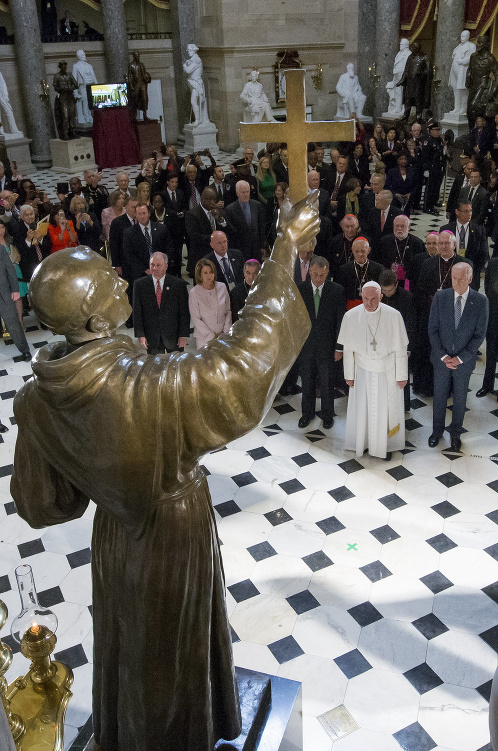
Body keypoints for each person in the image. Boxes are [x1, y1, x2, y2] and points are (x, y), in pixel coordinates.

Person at [10, 196, 318, 751]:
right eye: (109, 282)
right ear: (97, 319)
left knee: (133, 638)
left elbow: (43, 505)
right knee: (169, 649)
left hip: (117, 535)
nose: (123, 282)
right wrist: (284, 252)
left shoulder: (38, 397)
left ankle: (136, 731)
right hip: (171, 528)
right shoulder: (146, 385)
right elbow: (241, 367)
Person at [337, 280, 408, 459]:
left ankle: (386, 445)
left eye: (374, 299)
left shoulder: (394, 315)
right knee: (363, 408)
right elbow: (348, 351)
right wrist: (348, 375)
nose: (369, 303)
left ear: (381, 297)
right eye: (366, 298)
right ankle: (364, 442)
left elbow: (400, 349)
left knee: (385, 409)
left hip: (387, 372)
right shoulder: (351, 316)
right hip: (362, 372)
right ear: (361, 296)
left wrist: (401, 375)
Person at [428, 262, 488, 452]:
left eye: (461, 278)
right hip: (441, 359)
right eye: (454, 278)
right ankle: (436, 432)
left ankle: (455, 433)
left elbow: (479, 335)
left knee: (460, 399)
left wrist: (461, 358)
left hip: (464, 362)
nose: (456, 282)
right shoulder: (440, 297)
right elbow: (433, 329)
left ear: (470, 278)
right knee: (439, 397)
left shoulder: (480, 301)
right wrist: (443, 356)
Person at [414, 231, 473, 396]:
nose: (444, 247)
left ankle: (449, 390)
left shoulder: (465, 264)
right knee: (428, 351)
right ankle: (426, 387)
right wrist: (432, 305)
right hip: (431, 316)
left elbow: (470, 293)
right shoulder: (428, 264)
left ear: (455, 244)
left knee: (450, 354)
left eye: (448, 243)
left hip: (454, 319)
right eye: (441, 243)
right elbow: (420, 290)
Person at [297, 256, 345, 431]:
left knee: (327, 382)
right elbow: (296, 320)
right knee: (307, 382)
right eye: (315, 274)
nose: (318, 279)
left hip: (328, 346)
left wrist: (339, 347)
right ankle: (307, 414)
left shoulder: (336, 290)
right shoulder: (300, 289)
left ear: (327, 273)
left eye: (322, 275)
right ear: (309, 271)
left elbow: (340, 321)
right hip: (307, 346)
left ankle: (327, 415)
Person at [133, 252, 189, 356]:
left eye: (158, 265)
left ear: (166, 266)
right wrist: (140, 335)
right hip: (152, 337)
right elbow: (137, 312)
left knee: (175, 367)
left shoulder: (178, 284)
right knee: (156, 369)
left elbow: (184, 312)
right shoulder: (140, 285)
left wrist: (183, 334)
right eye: (152, 265)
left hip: (174, 337)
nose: (154, 268)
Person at [380, 269, 416, 411]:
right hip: (382, 342)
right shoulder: (378, 295)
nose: (387, 294)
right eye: (384, 290)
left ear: (396, 285)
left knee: (401, 373)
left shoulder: (407, 297)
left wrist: (408, 348)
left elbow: (411, 323)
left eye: (390, 290)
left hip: (400, 342)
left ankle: (404, 405)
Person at [122, 203, 174, 290]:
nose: (142, 216)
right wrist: (145, 270)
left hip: (162, 271)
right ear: (136, 215)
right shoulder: (129, 233)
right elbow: (129, 255)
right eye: (139, 214)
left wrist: (161, 266)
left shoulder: (161, 228)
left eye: (144, 213)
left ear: (149, 213)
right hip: (141, 274)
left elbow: (169, 248)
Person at [439, 200, 489, 290]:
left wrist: (472, 270)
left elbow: (484, 255)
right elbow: (441, 252)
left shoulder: (479, 230)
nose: (469, 214)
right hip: (449, 275)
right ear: (457, 212)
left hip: (471, 277)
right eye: (466, 211)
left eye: (470, 211)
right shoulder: (446, 229)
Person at [0, 223, 31, 362]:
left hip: (4, 293)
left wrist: (15, 289)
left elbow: (10, 270)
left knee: (13, 324)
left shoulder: (1, 249)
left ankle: (25, 350)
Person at [189, 258, 231, 349]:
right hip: (204, 339)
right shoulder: (194, 292)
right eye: (205, 273)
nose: (209, 275)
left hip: (223, 337)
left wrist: (225, 333)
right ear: (200, 275)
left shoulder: (222, 286)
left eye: (211, 272)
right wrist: (212, 337)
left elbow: (228, 311)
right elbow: (196, 319)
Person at [185, 187, 228, 276]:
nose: (212, 202)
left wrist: (219, 218)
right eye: (209, 199)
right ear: (202, 199)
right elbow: (195, 236)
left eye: (213, 199)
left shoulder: (219, 212)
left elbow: (228, 230)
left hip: (218, 256)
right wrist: (215, 239)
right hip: (201, 255)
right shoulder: (192, 214)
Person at [376, 214, 426, 292]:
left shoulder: (417, 243)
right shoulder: (385, 241)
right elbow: (379, 260)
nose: (399, 229)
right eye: (397, 226)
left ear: (409, 227)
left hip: (408, 281)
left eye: (402, 226)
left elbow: (420, 264)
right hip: (388, 279)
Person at [225, 180, 267, 262]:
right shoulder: (230, 209)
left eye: (247, 192)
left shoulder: (257, 205)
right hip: (240, 249)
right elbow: (230, 232)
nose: (246, 195)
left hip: (255, 248)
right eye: (243, 192)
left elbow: (261, 226)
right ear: (237, 193)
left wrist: (262, 246)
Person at [476, 255, 498, 401]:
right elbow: (488, 289)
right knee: (490, 353)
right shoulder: (494, 263)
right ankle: (487, 385)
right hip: (494, 316)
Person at [338, 236, 383, 308]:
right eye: (357, 251)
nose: (360, 254)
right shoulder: (344, 269)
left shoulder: (378, 268)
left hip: (372, 305)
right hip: (351, 306)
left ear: (369, 250)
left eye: (363, 251)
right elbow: (341, 293)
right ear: (352, 250)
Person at [10, 204, 50, 283]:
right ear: (21, 217)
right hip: (29, 268)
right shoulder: (17, 230)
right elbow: (20, 251)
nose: (30, 217)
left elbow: (49, 245)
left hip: (44, 264)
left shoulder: (41, 225)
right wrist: (28, 240)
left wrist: (40, 239)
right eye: (26, 215)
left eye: (31, 214)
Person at [422, 122, 448, 215]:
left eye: (438, 130)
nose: (438, 132)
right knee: (430, 188)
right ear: (431, 131)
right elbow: (425, 157)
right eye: (436, 130)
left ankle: (433, 202)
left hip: (439, 167)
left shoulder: (439, 140)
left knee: (437, 187)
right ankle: (427, 207)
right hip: (431, 168)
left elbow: (442, 153)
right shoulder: (428, 141)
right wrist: (426, 169)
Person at [108, 197, 138, 277]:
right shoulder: (117, 223)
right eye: (133, 207)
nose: (135, 209)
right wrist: (117, 265)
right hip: (124, 263)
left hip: (140, 264)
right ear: (126, 207)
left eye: (137, 207)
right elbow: (114, 245)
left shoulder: (142, 221)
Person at [183, 44, 209, 125]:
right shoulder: (193, 59)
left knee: (194, 101)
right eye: (188, 51)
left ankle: (198, 119)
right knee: (195, 101)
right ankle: (198, 119)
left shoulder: (197, 59)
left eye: (190, 51)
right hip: (193, 82)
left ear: (194, 51)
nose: (188, 53)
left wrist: (184, 65)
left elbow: (188, 71)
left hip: (196, 83)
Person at [53, 61, 78, 140]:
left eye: (65, 66)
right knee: (65, 116)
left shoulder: (70, 75)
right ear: (60, 67)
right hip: (63, 97)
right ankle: (65, 133)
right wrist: (62, 89)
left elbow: (76, 85)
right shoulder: (56, 76)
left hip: (70, 96)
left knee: (72, 115)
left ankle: (73, 132)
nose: (64, 68)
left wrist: (71, 88)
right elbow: (55, 87)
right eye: (63, 66)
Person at [72, 50, 97, 125]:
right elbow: (74, 79)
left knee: (91, 102)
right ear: (79, 57)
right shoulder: (76, 66)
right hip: (82, 86)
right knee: (85, 101)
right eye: (83, 55)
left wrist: (97, 85)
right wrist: (75, 92)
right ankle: (86, 117)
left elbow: (94, 77)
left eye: (84, 55)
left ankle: (89, 116)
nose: (84, 56)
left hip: (90, 85)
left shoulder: (89, 66)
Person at [128, 51, 151, 119]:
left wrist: (147, 77)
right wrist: (131, 85)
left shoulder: (141, 65)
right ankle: (134, 114)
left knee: (144, 98)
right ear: (134, 56)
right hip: (136, 84)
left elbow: (144, 73)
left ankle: (145, 114)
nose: (138, 57)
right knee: (135, 98)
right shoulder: (131, 65)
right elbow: (129, 76)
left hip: (142, 83)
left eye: (139, 56)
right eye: (137, 56)